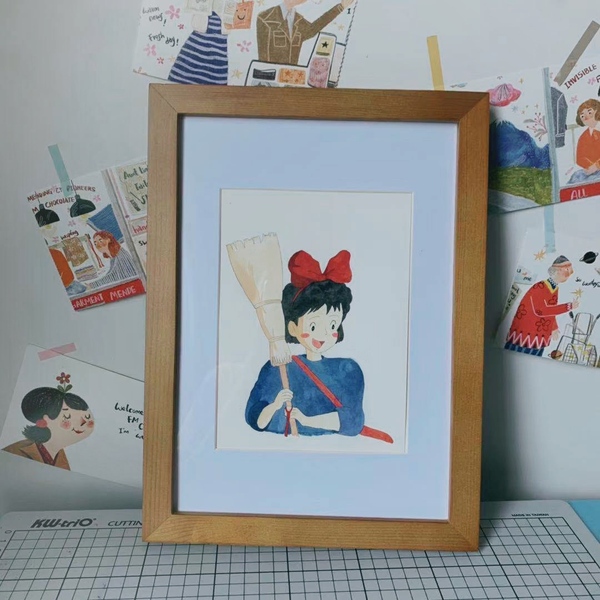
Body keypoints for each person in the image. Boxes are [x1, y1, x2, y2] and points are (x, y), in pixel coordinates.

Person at [245, 249, 372, 439]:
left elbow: (353, 422)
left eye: (332, 325)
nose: (323, 334)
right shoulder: (277, 367)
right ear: (293, 327)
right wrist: (275, 405)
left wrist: (306, 420)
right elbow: (255, 420)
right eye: (313, 326)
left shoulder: (348, 370)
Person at [2, 375, 94, 470]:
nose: (83, 422)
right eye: (67, 416)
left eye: (87, 417)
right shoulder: (15, 452)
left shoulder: (59, 455)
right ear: (45, 420)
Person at [505, 255, 579, 356]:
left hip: (540, 336)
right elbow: (541, 310)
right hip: (526, 335)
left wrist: (553, 327)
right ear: (557, 271)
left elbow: (551, 311)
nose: (569, 273)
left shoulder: (554, 288)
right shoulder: (540, 287)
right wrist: (568, 306)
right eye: (567, 270)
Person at [257, 0, 354, 66]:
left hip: (292, 79)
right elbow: (263, 57)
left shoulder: (298, 20)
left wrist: (341, 7)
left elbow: (315, 27)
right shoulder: (265, 18)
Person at [168, 8, 230, 85]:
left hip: (218, 48)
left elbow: (229, 26)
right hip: (196, 43)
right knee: (182, 75)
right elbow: (196, 24)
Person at [575, 99, 600, 175]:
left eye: (589, 112)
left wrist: (597, 166)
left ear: (597, 111)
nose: (586, 117)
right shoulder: (583, 137)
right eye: (582, 116)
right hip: (591, 171)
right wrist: (590, 166)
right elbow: (580, 158)